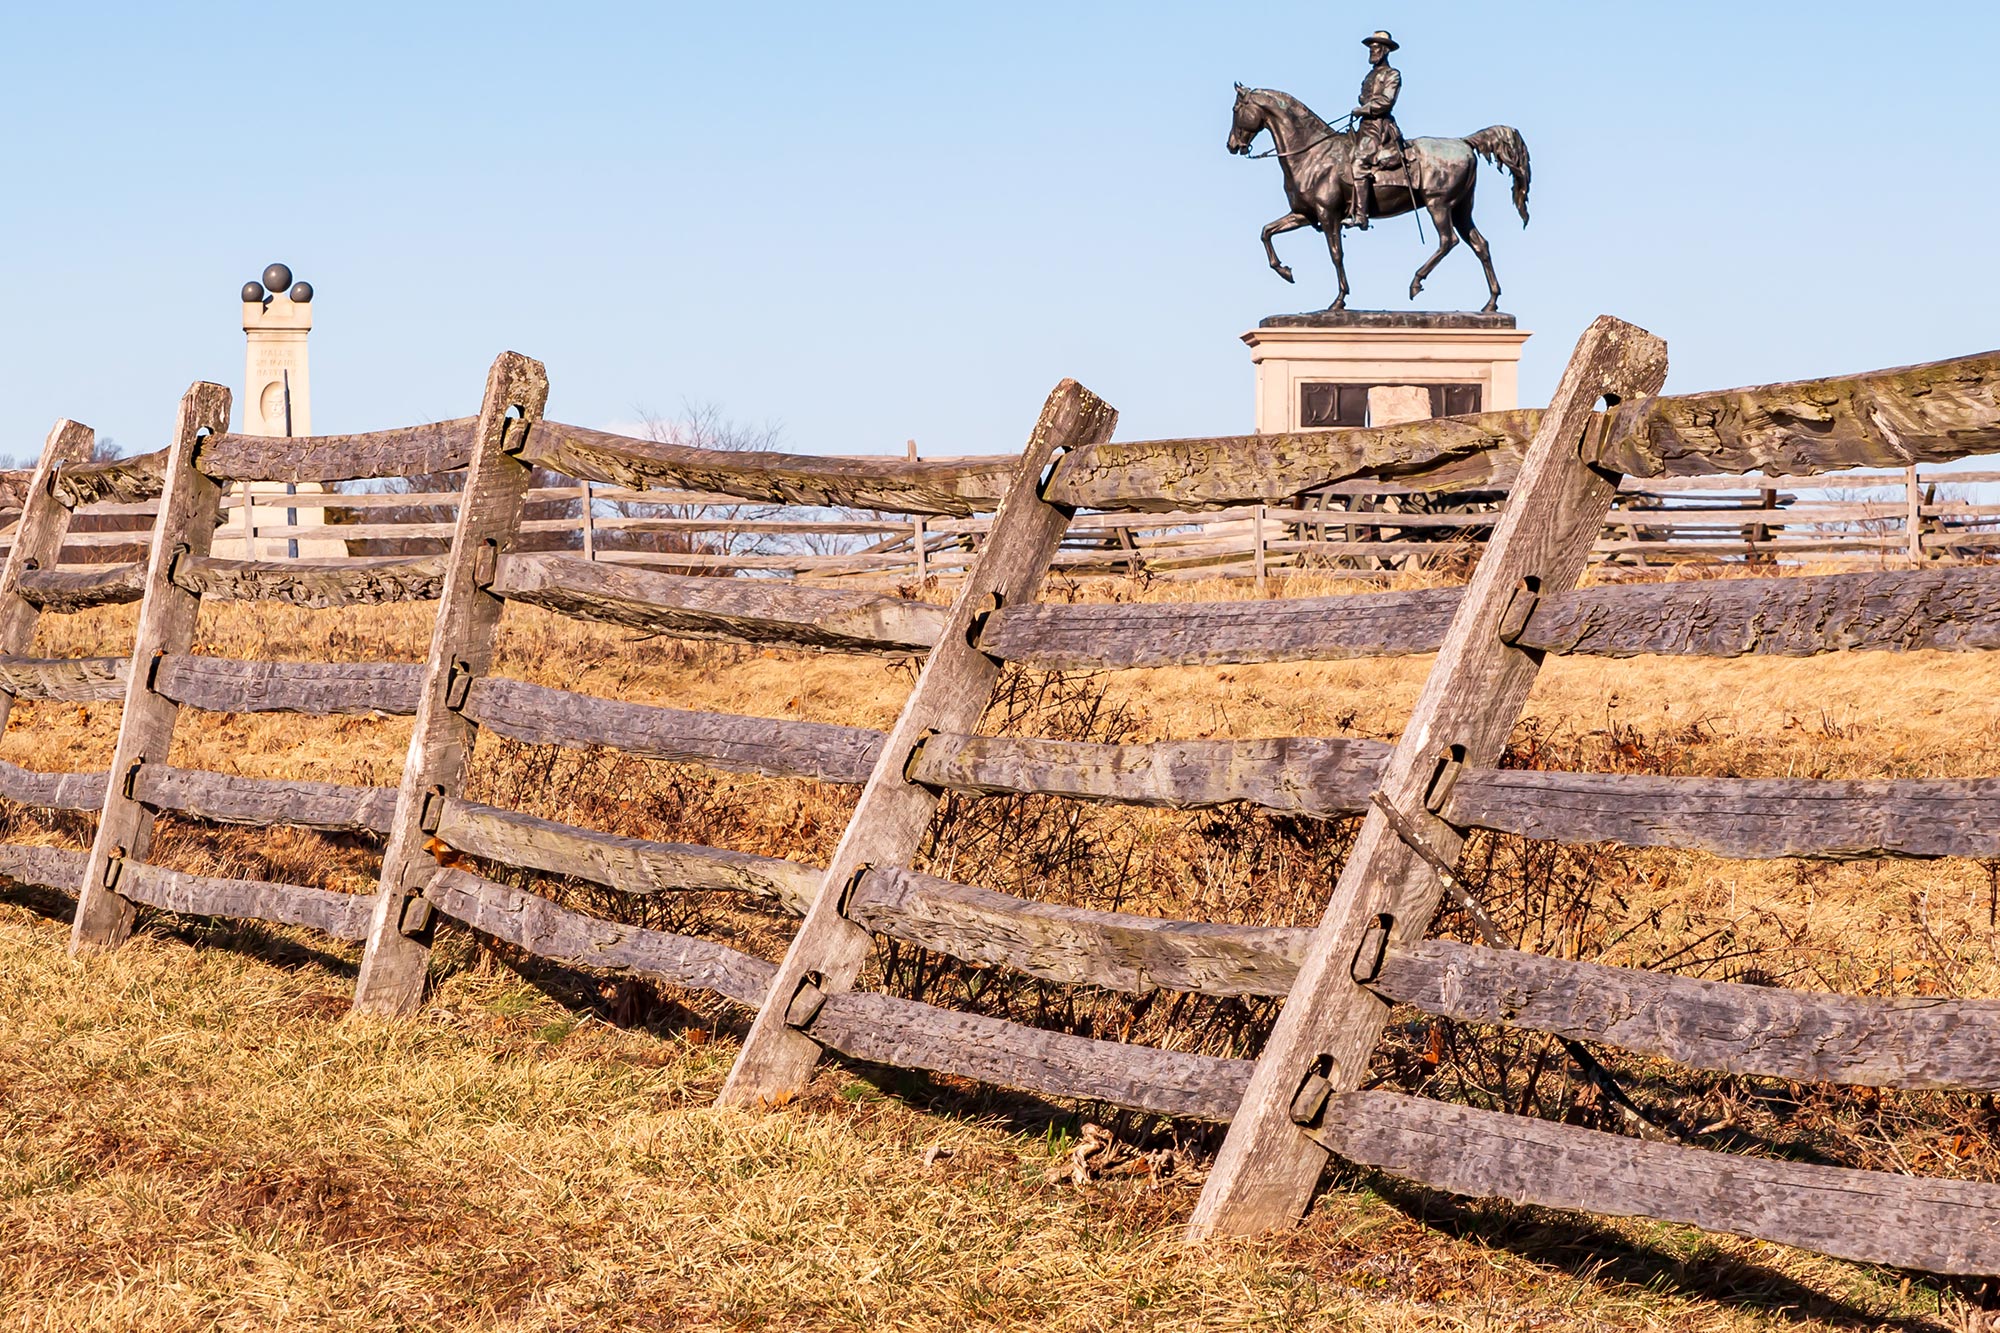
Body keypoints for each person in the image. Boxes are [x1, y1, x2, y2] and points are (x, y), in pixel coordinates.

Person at [1344, 31, 1405, 230]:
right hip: (1364, 126)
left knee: (1359, 163)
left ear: (1385, 50)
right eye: (1371, 46)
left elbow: (1386, 101)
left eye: (1376, 46)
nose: (1372, 50)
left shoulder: (1392, 74)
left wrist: (1363, 109)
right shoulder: (1369, 76)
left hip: (1379, 128)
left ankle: (1361, 215)